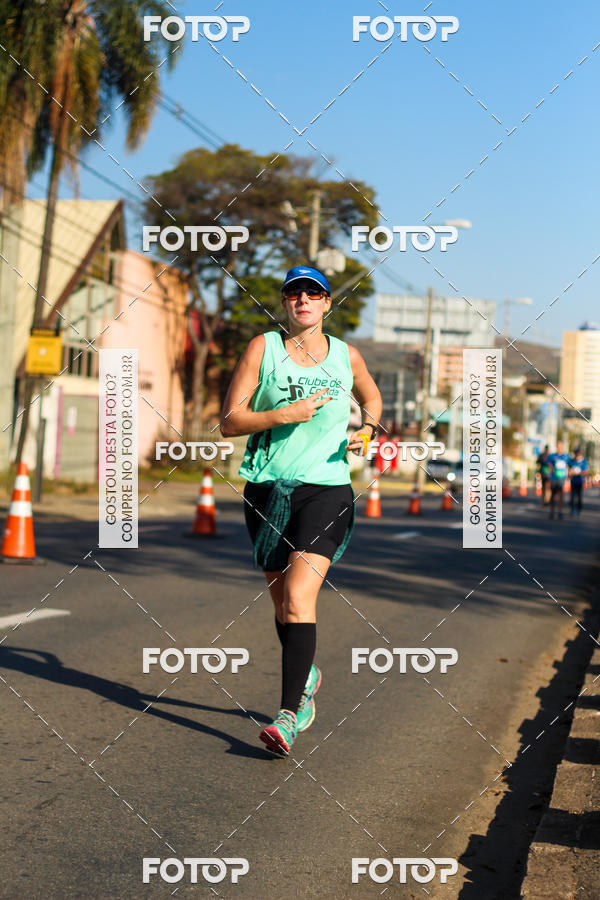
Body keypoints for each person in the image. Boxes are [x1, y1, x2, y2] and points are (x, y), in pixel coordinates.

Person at [220, 265, 382, 755]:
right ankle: (305, 670)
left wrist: (367, 431)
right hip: (268, 489)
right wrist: (281, 415)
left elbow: (371, 396)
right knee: (281, 602)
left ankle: (289, 715)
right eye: (295, 293)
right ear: (286, 303)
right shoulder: (262, 349)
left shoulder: (345, 356)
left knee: (297, 597)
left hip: (328, 489)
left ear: (328, 303)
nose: (304, 300)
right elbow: (229, 421)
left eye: (314, 293)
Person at [546, 440, 570, 519]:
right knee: (553, 495)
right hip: (553, 478)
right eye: (558, 446)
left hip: (561, 478)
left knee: (561, 495)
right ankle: (552, 511)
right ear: (556, 446)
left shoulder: (566, 456)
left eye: (560, 446)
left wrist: (569, 473)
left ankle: (560, 511)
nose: (559, 447)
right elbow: (547, 462)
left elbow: (570, 464)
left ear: (562, 447)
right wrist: (550, 466)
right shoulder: (552, 456)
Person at [568, 447, 588, 516]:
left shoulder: (583, 462)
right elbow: (569, 470)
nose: (578, 455)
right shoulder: (572, 461)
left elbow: (585, 472)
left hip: (580, 481)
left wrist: (578, 473)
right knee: (573, 496)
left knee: (579, 496)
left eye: (579, 454)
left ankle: (579, 508)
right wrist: (570, 473)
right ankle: (572, 509)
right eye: (577, 454)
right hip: (573, 481)